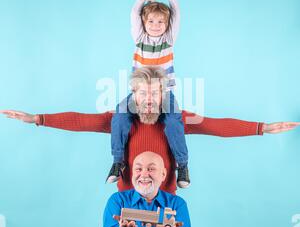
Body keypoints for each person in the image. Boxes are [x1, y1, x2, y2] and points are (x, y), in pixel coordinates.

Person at [1, 66, 299, 195]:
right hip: (128, 194)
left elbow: (217, 125)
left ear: (162, 96)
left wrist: (263, 128)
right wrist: (36, 118)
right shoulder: (120, 119)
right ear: (133, 95)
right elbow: (80, 120)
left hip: (165, 194)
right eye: (141, 94)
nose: (147, 100)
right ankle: (118, 167)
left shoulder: (177, 119)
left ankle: (183, 170)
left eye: (153, 94)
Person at [109, 0, 190, 189]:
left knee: (173, 121)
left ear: (167, 24)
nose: (156, 25)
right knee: (119, 115)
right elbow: (135, 12)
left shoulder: (169, 39)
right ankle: (117, 162)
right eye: (151, 21)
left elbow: (177, 13)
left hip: (164, 93)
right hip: (140, 94)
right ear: (144, 23)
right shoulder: (139, 38)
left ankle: (183, 165)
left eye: (161, 21)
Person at [101, 151, 191, 227]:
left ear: (163, 174)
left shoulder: (178, 204)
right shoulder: (117, 200)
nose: (143, 175)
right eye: (138, 169)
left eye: (151, 169)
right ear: (132, 174)